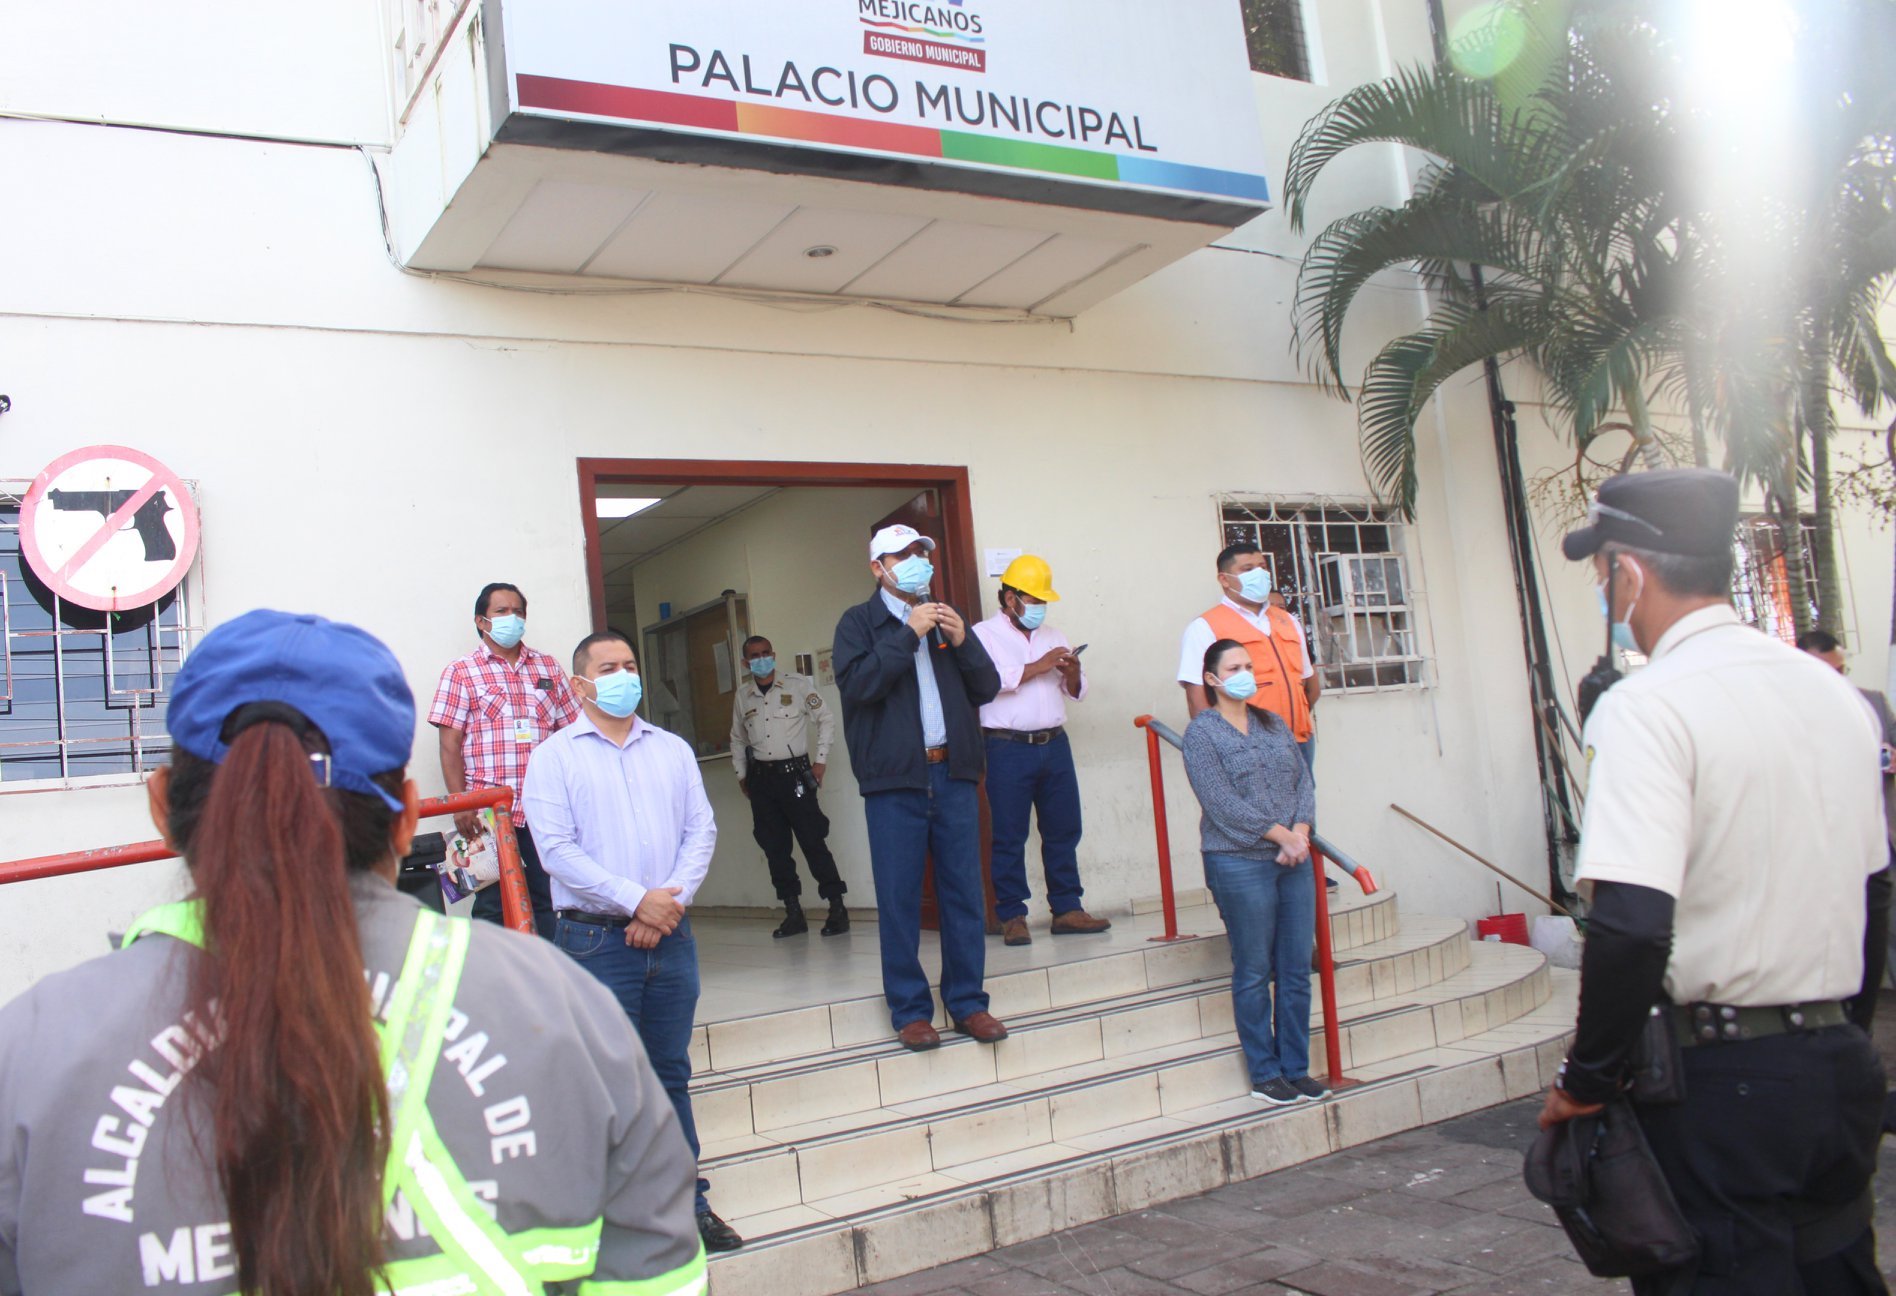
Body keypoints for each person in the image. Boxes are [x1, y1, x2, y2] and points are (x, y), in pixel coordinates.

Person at [0, 609, 705, 1295]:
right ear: (406, 817)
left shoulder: (32, 1048)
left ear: (162, 809)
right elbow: (662, 1271)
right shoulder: (561, 1004)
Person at [1541, 469, 1888, 1294]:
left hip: (1721, 1084)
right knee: (1836, 1268)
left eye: (1602, 576)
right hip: (1837, 1063)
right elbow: (1874, 891)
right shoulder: (1835, 694)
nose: (1607, 595)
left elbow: (1630, 922)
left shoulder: (1647, 706)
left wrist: (1586, 1081)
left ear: (1629, 572)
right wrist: (1843, 1029)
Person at [522, 629, 742, 1254]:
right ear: (579, 685)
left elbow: (701, 831)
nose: (624, 677)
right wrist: (634, 899)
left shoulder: (671, 749)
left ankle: (688, 1206)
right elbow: (555, 851)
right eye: (608, 668)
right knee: (603, 1083)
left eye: (629, 665)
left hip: (670, 937)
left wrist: (666, 903)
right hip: (594, 942)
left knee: (669, 1074)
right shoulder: (554, 758)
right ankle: (609, 1219)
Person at [833, 523, 1007, 1052]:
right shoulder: (857, 623)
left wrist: (963, 641)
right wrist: (908, 633)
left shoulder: (947, 619)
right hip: (895, 782)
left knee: (964, 894)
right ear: (877, 568)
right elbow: (860, 685)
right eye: (902, 555)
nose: (917, 562)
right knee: (899, 898)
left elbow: (987, 687)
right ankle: (910, 1010)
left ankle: (968, 1002)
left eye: (921, 553)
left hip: (953, 774)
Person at [1181, 638, 1325, 1108]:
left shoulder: (1273, 723)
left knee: (1296, 969)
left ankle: (1296, 1068)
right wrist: (1279, 835)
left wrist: (1300, 830)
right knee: (1254, 969)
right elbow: (1219, 802)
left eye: (1248, 665)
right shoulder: (1202, 734)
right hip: (1239, 862)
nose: (1245, 673)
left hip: (1293, 861)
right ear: (1211, 679)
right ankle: (1266, 1073)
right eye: (1234, 668)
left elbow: (1303, 781)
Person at [970, 554, 1112, 945]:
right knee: (1009, 834)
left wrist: (1073, 672)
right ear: (1010, 598)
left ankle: (1067, 909)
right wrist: (1039, 664)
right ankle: (1012, 915)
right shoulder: (983, 635)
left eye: (1042, 601)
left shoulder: (1054, 634)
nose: (1039, 608)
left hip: (1055, 744)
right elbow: (985, 682)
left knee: (1064, 829)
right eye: (1033, 600)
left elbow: (1075, 692)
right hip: (1007, 748)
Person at [428, 581, 580, 938]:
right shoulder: (461, 671)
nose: (512, 618)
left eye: (518, 611)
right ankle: (494, 971)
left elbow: (574, 736)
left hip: (545, 808)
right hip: (489, 814)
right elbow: (449, 745)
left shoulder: (548, 668)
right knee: (494, 905)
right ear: (482, 621)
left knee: (548, 898)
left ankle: (546, 970)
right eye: (502, 611)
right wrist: (461, 804)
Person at [1798, 627, 1895, 1030]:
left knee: (1876, 936)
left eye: (1841, 671)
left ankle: (1864, 1025)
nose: (1836, 680)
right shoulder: (1786, 711)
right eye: (1826, 672)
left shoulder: (1872, 702)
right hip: (1815, 848)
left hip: (1872, 841)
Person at [731, 634, 848, 939]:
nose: (761, 659)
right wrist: (742, 775)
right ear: (745, 662)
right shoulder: (743, 696)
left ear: (773, 654)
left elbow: (826, 719)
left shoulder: (796, 685)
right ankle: (793, 912)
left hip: (795, 775)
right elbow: (737, 738)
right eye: (754, 656)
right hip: (762, 780)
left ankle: (837, 907)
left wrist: (820, 761)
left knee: (813, 840)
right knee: (775, 848)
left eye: (765, 653)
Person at [1178, 542, 1321, 771]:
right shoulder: (1205, 627)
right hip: (1247, 746)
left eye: (1262, 567)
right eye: (1248, 569)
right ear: (1224, 579)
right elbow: (1197, 698)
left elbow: (1306, 682)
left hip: (1298, 741)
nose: (1259, 574)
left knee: (1303, 795)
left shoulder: (1288, 621)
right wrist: (1219, 746)